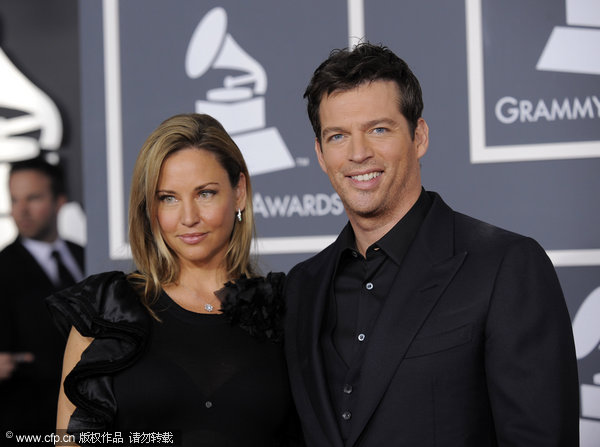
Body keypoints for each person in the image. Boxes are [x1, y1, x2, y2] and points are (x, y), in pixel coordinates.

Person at [283, 42, 579, 446]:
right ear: (320, 154)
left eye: (379, 129)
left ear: (419, 136)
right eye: (338, 136)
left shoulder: (505, 267)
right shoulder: (302, 287)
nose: (358, 153)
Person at [47, 113, 301, 447]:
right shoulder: (107, 311)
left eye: (205, 193)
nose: (189, 218)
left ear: (239, 192)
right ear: (150, 208)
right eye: (168, 198)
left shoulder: (284, 307)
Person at [0, 158, 84, 436]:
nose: (20, 210)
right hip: (28, 424)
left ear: (60, 201)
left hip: (93, 421)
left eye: (33, 198)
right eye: (14, 200)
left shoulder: (86, 256)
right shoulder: (3, 267)